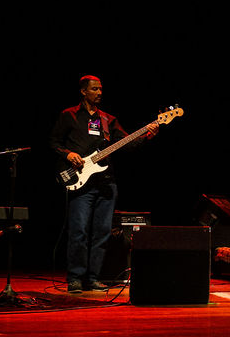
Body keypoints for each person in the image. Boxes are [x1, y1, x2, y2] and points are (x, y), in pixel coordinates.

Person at [49, 75, 157, 293]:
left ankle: (93, 277)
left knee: (102, 232)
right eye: (95, 89)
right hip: (80, 182)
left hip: (106, 183)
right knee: (79, 231)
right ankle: (75, 278)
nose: (100, 92)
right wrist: (68, 154)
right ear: (83, 91)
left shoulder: (108, 120)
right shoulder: (69, 115)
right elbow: (54, 142)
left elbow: (127, 144)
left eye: (100, 89)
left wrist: (147, 135)